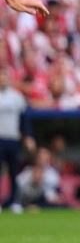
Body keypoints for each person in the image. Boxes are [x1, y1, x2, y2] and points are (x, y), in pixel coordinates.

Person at [0, 70, 36, 212]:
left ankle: (14, 201)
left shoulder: (16, 97)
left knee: (13, 171)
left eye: (4, 78)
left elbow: (24, 119)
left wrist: (28, 136)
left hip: (13, 138)